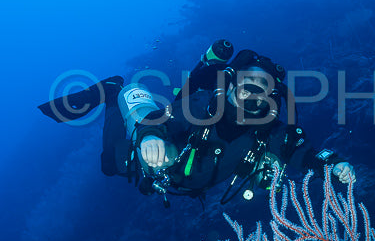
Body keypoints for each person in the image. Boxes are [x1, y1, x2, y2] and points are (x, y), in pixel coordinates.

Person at [41, 42, 355, 204]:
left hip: (193, 183)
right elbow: (159, 120)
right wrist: (150, 136)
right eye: (247, 85)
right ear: (231, 84)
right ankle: (114, 91)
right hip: (163, 162)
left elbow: (307, 155)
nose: (253, 96)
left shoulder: (271, 133)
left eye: (263, 90)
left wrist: (335, 165)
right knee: (111, 163)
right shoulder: (200, 107)